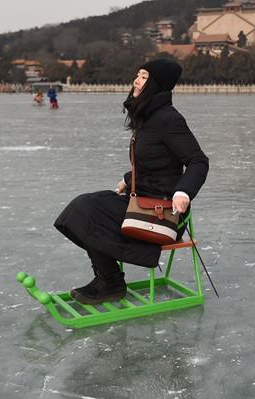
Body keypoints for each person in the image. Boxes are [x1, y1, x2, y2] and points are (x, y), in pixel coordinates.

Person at [54, 58, 209, 304]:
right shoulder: (148, 117)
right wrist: (128, 180)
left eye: (144, 77)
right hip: (141, 200)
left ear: (156, 85)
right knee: (84, 208)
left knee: (88, 210)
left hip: (162, 212)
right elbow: (155, 162)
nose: (136, 81)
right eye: (137, 75)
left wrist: (183, 192)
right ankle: (108, 278)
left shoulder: (169, 119)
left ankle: (110, 281)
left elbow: (198, 161)